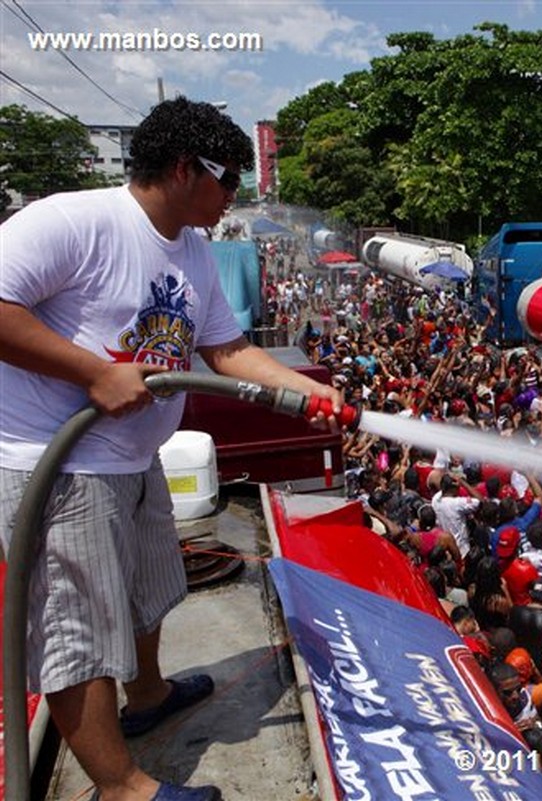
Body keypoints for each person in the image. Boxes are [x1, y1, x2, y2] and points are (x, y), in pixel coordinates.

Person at [0, 98, 343, 801]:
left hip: (131, 456)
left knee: (148, 589)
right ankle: (122, 786)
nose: (235, 198)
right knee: (77, 634)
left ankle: (149, 693)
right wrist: (93, 372)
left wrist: (308, 392)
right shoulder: (74, 221)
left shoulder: (189, 246)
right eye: (228, 182)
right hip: (59, 464)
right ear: (187, 169)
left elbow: (226, 346)